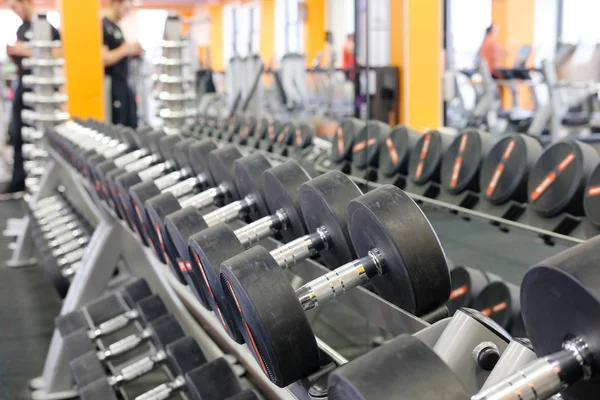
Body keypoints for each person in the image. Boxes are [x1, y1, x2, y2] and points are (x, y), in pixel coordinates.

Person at [5, 0, 61, 195]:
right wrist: (15, 53)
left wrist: (25, 50)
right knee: (17, 133)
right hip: (25, 87)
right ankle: (19, 183)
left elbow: (57, 52)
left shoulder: (47, 28)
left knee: (46, 136)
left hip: (42, 90)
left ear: (26, 3)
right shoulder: (21, 29)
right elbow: (18, 54)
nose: (15, 12)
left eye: (15, 7)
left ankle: (49, 184)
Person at [102, 0, 142, 129]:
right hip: (113, 84)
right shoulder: (103, 25)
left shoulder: (116, 27)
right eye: (125, 9)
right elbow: (104, 59)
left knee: (131, 122)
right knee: (119, 125)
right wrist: (125, 50)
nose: (127, 13)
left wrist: (132, 51)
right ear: (116, 4)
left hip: (125, 83)